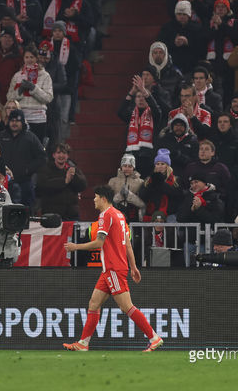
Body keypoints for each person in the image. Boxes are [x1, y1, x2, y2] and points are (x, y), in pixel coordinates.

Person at [63, 185, 163, 352]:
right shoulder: (119, 215)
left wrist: (76, 247)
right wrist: (133, 267)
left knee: (126, 307)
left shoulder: (105, 215)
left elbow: (98, 243)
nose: (94, 200)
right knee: (94, 304)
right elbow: (128, 244)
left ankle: (154, 338)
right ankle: (83, 343)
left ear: (103, 198)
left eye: (95, 197)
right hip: (111, 269)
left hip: (113, 268)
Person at [0, 109, 46, 207]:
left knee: (26, 211)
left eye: (17, 121)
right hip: (3, 183)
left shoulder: (30, 137)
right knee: (0, 210)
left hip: (24, 183)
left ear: (22, 122)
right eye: (12, 120)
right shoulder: (0, 137)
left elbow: (42, 158)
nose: (14, 123)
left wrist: (28, 170)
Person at [6, 43, 54, 143]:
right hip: (20, 117)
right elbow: (9, 98)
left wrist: (34, 88)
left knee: (36, 146)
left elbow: (48, 98)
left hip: (38, 118)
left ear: (37, 58)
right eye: (26, 57)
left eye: (32, 57)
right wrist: (19, 91)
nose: (29, 60)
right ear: (23, 58)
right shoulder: (17, 75)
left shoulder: (45, 75)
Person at [35, 142, 87, 220]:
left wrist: (74, 176)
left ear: (68, 156)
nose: (61, 155)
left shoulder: (73, 168)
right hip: (52, 214)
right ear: (53, 155)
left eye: (64, 153)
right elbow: (42, 186)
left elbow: (83, 186)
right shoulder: (45, 169)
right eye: (58, 153)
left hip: (71, 214)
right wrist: (64, 181)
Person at [139, 149, 183, 222]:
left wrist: (161, 182)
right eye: (157, 164)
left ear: (167, 166)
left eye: (162, 164)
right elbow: (143, 196)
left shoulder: (176, 180)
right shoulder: (148, 180)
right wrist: (152, 183)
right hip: (152, 214)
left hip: (170, 214)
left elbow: (177, 195)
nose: (160, 166)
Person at [107, 153, 145, 223]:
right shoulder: (113, 181)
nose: (127, 168)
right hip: (116, 214)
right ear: (121, 166)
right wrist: (119, 196)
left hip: (134, 215)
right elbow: (107, 201)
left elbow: (142, 203)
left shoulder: (140, 182)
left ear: (133, 167)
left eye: (130, 166)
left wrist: (129, 195)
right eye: (125, 166)